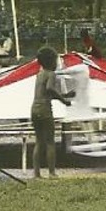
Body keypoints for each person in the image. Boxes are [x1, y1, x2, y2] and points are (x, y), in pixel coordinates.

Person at [30, 46, 73, 178]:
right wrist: (64, 101)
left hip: (35, 108)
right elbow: (50, 89)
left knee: (39, 141)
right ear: (51, 62)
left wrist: (64, 95)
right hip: (45, 109)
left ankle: (36, 173)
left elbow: (45, 93)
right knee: (50, 142)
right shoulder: (51, 74)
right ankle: (52, 172)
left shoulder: (39, 74)